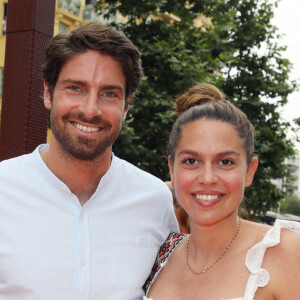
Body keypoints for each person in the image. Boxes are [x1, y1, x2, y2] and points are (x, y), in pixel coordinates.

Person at [0, 22, 178, 299]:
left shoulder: (154, 201)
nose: (90, 109)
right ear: (48, 93)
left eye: (109, 94)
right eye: (76, 88)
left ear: (127, 106)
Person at [144, 84, 300, 300]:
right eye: (191, 161)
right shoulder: (160, 257)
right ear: (172, 169)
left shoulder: (286, 252)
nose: (207, 178)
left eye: (225, 162)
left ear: (249, 171)